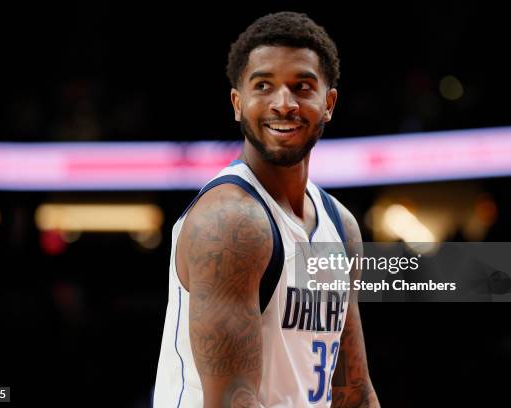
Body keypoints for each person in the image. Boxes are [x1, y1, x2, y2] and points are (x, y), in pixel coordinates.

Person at [154, 11, 379, 407]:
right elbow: (231, 400)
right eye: (264, 85)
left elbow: (353, 393)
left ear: (329, 104)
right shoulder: (229, 222)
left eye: (302, 86)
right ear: (238, 104)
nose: (283, 103)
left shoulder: (341, 227)